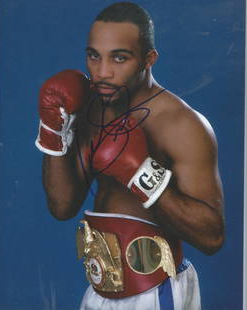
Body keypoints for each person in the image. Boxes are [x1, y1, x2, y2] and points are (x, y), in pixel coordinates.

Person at [35, 2, 225, 309]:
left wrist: (142, 174)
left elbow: (212, 236)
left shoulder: (182, 125)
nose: (102, 72)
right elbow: (62, 206)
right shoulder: (90, 109)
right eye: (94, 56)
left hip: (157, 290)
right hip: (99, 291)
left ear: (149, 59)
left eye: (119, 58)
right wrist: (52, 131)